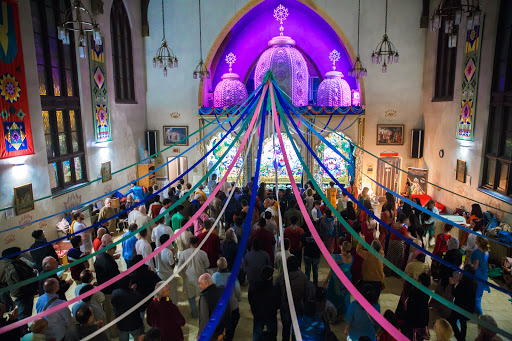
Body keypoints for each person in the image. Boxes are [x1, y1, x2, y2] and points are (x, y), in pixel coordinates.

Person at [276, 256, 313, 341]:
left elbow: (276, 290)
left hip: (285, 307)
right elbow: (308, 293)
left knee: (286, 329)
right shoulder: (303, 277)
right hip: (299, 308)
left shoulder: (281, 276)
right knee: (296, 330)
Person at [178, 236, 210, 318]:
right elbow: (207, 265)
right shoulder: (202, 253)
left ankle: (195, 313)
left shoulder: (184, 253)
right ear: (197, 243)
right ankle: (203, 313)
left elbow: (179, 269)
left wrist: (183, 276)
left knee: (191, 296)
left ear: (189, 243)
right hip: (201, 278)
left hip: (189, 278)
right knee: (202, 296)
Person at [94, 243, 120, 338]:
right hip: (110, 291)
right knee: (112, 312)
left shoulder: (99, 258)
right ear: (112, 250)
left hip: (102, 289)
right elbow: (116, 277)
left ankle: (109, 331)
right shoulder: (110, 262)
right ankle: (113, 333)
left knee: (107, 311)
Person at [212, 258, 241, 341]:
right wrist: (239, 299)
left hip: (219, 307)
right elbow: (238, 291)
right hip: (231, 306)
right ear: (226, 265)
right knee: (232, 325)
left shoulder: (213, 276)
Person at [447, 264, 477, 341]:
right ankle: (462, 338)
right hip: (468, 308)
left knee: (451, 320)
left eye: (462, 272)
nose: (460, 273)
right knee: (463, 322)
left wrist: (453, 285)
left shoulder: (463, 284)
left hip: (460, 308)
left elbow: (455, 294)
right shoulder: (473, 282)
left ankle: (460, 338)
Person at [197, 273, 231, 340]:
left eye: (200, 283)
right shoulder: (222, 290)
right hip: (222, 330)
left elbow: (204, 320)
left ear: (206, 283)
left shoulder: (204, 297)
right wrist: (224, 329)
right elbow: (228, 311)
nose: (199, 286)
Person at [111, 276, 145, 341]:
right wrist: (133, 291)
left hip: (121, 325)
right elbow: (142, 309)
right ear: (129, 284)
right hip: (135, 324)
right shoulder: (135, 295)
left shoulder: (114, 293)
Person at [403, 273, 431, 340]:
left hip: (413, 319)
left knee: (412, 335)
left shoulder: (415, 292)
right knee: (419, 336)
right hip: (422, 319)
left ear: (420, 282)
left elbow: (408, 306)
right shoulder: (427, 293)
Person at [156, 234, 178, 304]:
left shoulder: (156, 249)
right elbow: (172, 266)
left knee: (162, 292)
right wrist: (173, 255)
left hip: (160, 274)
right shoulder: (168, 252)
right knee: (171, 292)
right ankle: (172, 304)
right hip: (168, 274)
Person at [471, 236, 491, 314]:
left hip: (478, 274)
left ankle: (477, 310)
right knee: (479, 292)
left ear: (478, 242)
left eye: (476, 239)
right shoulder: (486, 252)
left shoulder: (477, 252)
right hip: (484, 273)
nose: (474, 240)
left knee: (476, 292)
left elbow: (475, 266)